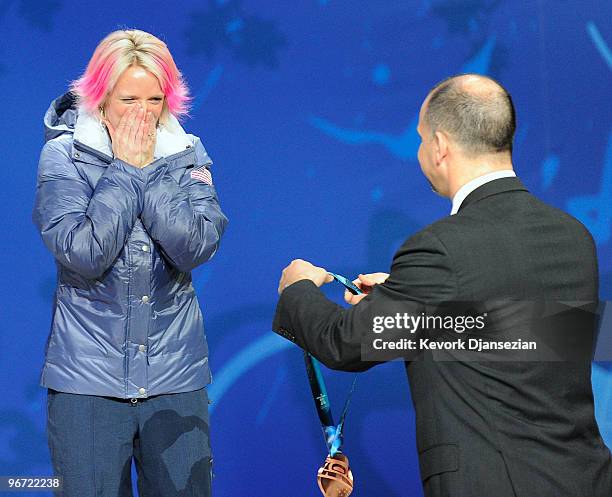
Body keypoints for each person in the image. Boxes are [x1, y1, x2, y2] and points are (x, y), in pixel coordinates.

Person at [272, 74, 612, 496]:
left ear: (439, 145)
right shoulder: (573, 237)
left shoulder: (439, 248)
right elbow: (526, 335)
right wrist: (407, 297)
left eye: (419, 139)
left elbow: (347, 344)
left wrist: (297, 289)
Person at [33, 29, 228, 497]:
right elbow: (83, 252)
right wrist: (124, 171)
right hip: (87, 386)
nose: (143, 114)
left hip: (175, 379)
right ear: (99, 98)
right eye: (128, 100)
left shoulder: (186, 155)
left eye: (154, 100)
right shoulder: (63, 155)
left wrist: (149, 172)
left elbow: (197, 245)